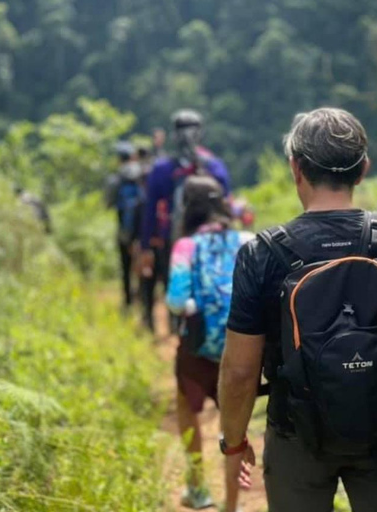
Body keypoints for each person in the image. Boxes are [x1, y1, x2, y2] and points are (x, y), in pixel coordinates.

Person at [218, 108, 377, 512]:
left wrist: (234, 442)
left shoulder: (262, 254)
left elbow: (240, 371)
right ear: (363, 169)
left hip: (295, 436)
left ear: (296, 168)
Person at [166, 176, 253, 509]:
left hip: (197, 348)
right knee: (234, 429)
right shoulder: (246, 240)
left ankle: (197, 488)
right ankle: (232, 503)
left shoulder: (186, 247)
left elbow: (176, 301)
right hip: (240, 348)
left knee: (187, 409)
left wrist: (194, 308)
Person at [140, 110, 232, 332]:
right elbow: (226, 204)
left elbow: (150, 210)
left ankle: (176, 329)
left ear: (174, 135)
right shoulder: (215, 166)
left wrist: (145, 246)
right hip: (211, 240)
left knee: (174, 282)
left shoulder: (162, 169)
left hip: (172, 238)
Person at [110, 141, 145, 310]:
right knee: (143, 264)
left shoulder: (117, 178)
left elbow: (109, 202)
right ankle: (144, 298)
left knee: (125, 266)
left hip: (124, 229)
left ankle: (127, 301)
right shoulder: (142, 173)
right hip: (142, 230)